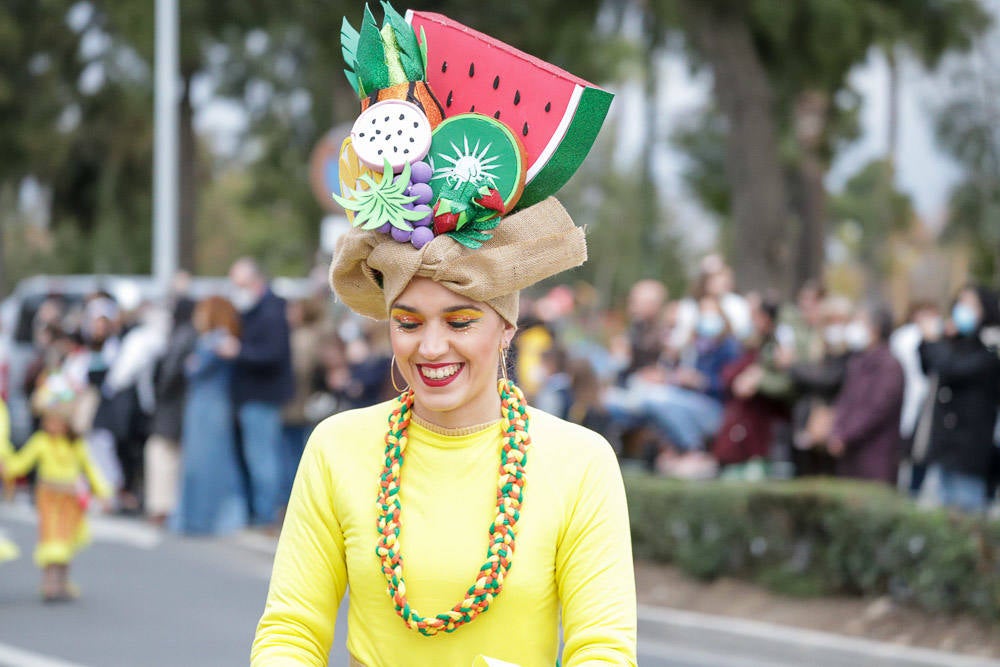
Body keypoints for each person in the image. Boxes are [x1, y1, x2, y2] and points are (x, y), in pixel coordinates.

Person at [252, 7, 635, 665]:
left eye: (460, 322)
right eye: (408, 322)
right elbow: (290, 633)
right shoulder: (337, 448)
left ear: (507, 325)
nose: (431, 348)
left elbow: (603, 648)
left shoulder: (581, 463)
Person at [2, 375, 110, 601]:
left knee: (67, 539)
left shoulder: (75, 445)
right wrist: (7, 465)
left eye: (57, 421)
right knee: (51, 538)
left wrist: (103, 492)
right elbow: (21, 463)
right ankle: (49, 583)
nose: (52, 426)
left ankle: (62, 581)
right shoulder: (41, 441)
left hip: (70, 499)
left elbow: (90, 468)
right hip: (49, 497)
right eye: (49, 421)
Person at [224, 258, 294, 527]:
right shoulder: (259, 310)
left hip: (262, 394)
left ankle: (268, 513)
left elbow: (272, 354)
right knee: (264, 455)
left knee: (263, 457)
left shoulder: (270, 311)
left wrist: (238, 351)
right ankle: (266, 510)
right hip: (256, 394)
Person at [919, 285, 1000, 512]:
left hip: (970, 456)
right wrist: (931, 341)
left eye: (971, 304)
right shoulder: (953, 344)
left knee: (967, 523)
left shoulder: (990, 351)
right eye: (960, 302)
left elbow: (952, 369)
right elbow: (929, 367)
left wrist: (935, 341)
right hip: (944, 450)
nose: (963, 309)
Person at [171, 297, 248, 535]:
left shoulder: (218, 339)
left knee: (208, 461)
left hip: (210, 407)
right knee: (203, 460)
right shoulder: (214, 339)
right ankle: (200, 516)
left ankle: (208, 517)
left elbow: (194, 368)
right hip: (205, 405)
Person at [829, 305, 904, 485]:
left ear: (875, 328)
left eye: (859, 322)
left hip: (875, 457)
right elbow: (846, 400)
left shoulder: (889, 366)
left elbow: (876, 409)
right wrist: (836, 430)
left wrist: (845, 435)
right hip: (851, 457)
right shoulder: (858, 361)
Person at [145, 296, 197, 525]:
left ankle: (161, 507)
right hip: (180, 407)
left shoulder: (181, 336)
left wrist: (159, 392)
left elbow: (169, 374)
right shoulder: (191, 335)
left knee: (161, 455)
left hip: (171, 408)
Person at [278, 298, 322, 510]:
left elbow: (300, 369)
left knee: (294, 452)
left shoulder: (304, 338)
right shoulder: (303, 335)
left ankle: (294, 501)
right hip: (297, 403)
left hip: (297, 404)